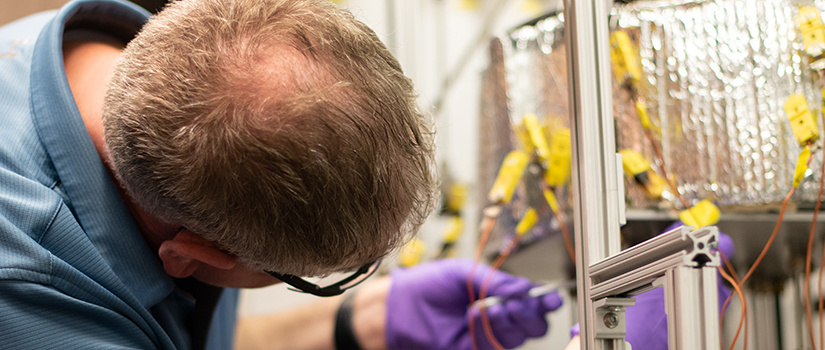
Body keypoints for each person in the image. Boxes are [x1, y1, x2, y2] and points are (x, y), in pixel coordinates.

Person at [0, 0, 562, 348]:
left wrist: (362, 320)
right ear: (189, 256)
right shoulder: (30, 298)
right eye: (312, 277)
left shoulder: (112, 62)